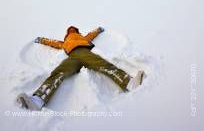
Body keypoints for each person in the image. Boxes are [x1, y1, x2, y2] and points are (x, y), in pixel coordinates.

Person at [17, 26, 145, 110]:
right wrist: (41, 39)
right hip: (73, 57)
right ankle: (37, 100)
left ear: (77, 32)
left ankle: (129, 83)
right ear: (67, 33)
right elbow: (52, 42)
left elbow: (91, 35)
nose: (72, 31)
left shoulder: (82, 37)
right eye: (70, 30)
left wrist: (98, 30)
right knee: (58, 73)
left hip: (85, 52)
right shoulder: (64, 41)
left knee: (104, 65)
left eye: (73, 30)